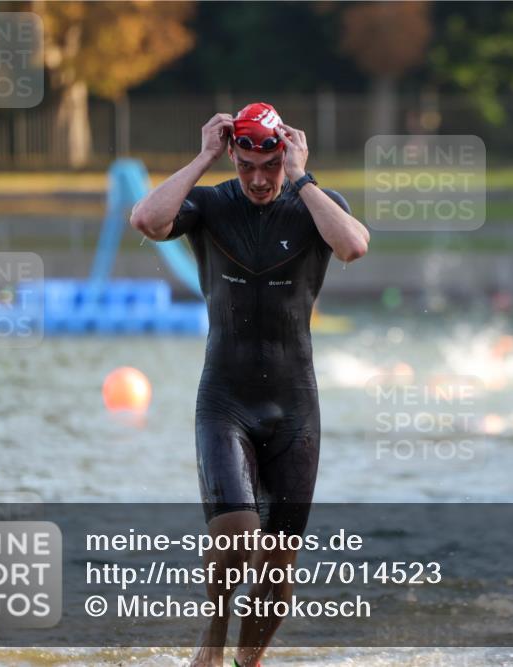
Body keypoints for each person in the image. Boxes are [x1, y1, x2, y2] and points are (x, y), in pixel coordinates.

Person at [130, 102, 370, 667]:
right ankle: (212, 638)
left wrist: (304, 178)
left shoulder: (317, 205)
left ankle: (247, 663)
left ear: (284, 155)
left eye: (270, 166)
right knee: (237, 534)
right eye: (246, 166)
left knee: (279, 564)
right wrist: (205, 156)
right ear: (235, 157)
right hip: (225, 401)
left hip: (294, 410)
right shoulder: (211, 203)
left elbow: (354, 246)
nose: (259, 180)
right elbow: (147, 220)